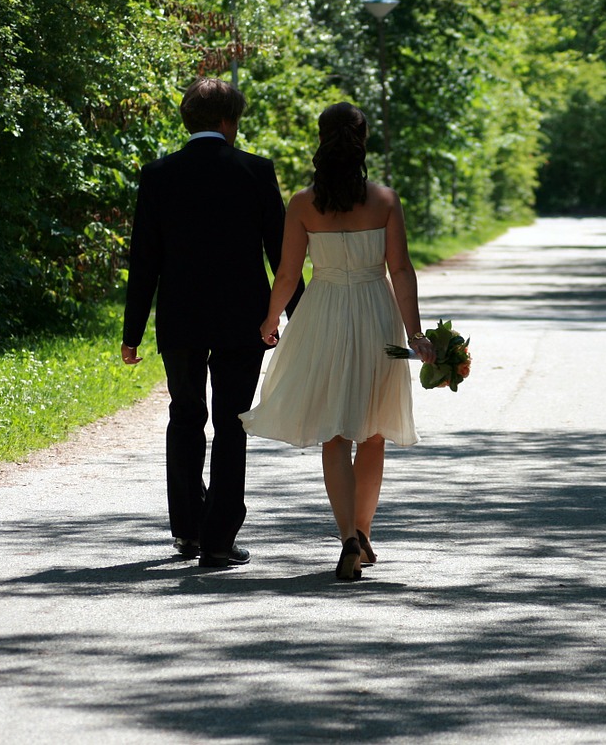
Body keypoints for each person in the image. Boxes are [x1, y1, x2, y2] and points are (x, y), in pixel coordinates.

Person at [239, 102, 434, 581]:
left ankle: (346, 534)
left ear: (321, 141)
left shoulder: (303, 204)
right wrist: (415, 332)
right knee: (372, 431)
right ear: (362, 141)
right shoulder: (385, 200)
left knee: (335, 432)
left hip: (323, 310)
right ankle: (364, 534)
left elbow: (287, 273)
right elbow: (401, 270)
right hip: (374, 311)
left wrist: (270, 320)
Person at [121, 77, 302, 569]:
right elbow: (281, 256)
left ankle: (186, 532)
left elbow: (145, 260)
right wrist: (299, 317)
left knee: (184, 417)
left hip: (180, 317)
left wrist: (131, 333)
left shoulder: (158, 175)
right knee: (231, 424)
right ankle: (219, 539)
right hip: (241, 318)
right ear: (228, 122)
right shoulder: (255, 171)